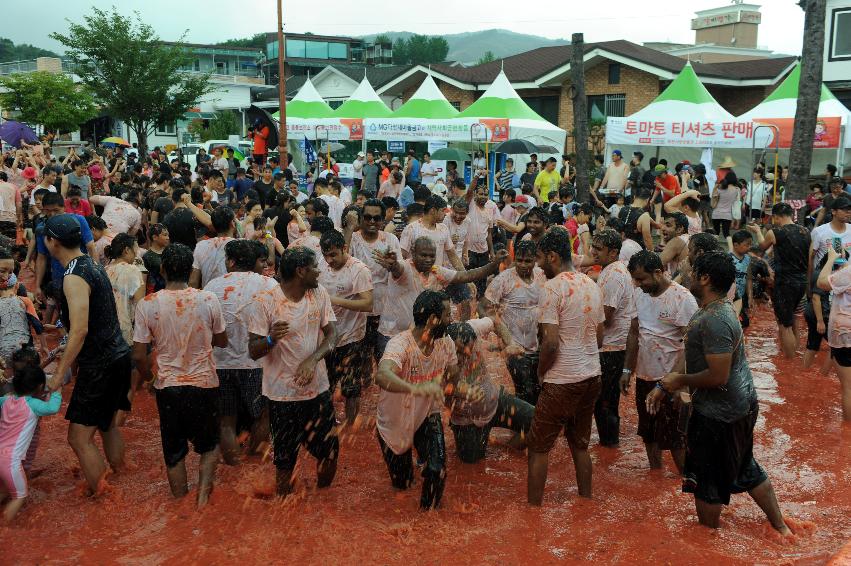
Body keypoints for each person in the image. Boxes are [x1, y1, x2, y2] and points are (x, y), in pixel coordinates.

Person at [649, 251, 791, 535]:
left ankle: (708, 542)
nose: (683, 274)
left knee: (706, 480)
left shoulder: (714, 319)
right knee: (745, 467)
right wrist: (667, 383)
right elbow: (696, 356)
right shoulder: (713, 309)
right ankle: (782, 529)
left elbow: (717, 375)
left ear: (704, 278)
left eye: (689, 270)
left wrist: (678, 381)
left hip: (721, 413)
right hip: (740, 404)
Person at [132, 243, 227, 507]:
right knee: (209, 446)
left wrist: (149, 380)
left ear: (162, 269)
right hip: (204, 383)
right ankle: (202, 501)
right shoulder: (208, 299)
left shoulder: (147, 304)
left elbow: (139, 354)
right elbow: (221, 340)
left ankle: (179, 504)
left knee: (174, 452)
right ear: (189, 270)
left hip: (168, 386)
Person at [43, 214, 132, 496]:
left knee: (79, 439)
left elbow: (80, 330)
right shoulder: (93, 264)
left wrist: (59, 375)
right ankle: (123, 473)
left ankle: (106, 500)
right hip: (118, 354)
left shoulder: (73, 276)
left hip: (100, 364)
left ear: (51, 242)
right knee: (106, 425)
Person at [247, 246, 339, 498]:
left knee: (330, 453)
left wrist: (313, 359)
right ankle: (283, 512)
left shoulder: (319, 294)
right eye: (315, 267)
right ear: (301, 271)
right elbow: (253, 351)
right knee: (285, 460)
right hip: (282, 396)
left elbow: (333, 334)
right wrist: (270, 340)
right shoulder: (265, 301)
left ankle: (323, 503)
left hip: (317, 389)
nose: (320, 272)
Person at [527, 227, 604, 505]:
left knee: (538, 447)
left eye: (539, 259)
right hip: (592, 375)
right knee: (580, 444)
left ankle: (533, 513)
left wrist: (540, 372)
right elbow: (600, 336)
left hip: (562, 380)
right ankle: (586, 500)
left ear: (552, 256)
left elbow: (549, 343)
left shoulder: (552, 288)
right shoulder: (591, 284)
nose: (537, 265)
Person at [375, 290, 459, 509]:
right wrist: (417, 388)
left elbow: (453, 376)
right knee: (403, 485)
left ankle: (428, 523)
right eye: (448, 315)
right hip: (393, 423)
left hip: (426, 416)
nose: (452, 320)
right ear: (433, 320)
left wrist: (456, 396)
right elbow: (382, 375)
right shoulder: (400, 344)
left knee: (436, 469)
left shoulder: (446, 342)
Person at [204, 240, 277, 464]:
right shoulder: (269, 285)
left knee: (226, 420)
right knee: (262, 414)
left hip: (221, 363)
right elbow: (280, 325)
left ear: (231, 261)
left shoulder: (211, 287)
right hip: (257, 363)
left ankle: (233, 467)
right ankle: (254, 464)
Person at [623, 250, 697, 473]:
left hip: (671, 380)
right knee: (649, 432)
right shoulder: (639, 294)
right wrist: (627, 368)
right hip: (645, 376)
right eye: (634, 279)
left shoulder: (682, 299)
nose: (637, 284)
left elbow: (693, 346)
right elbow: (634, 332)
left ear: (658, 273)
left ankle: (687, 484)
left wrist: (679, 382)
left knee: (677, 439)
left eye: (641, 279)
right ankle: (655, 475)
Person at [445, 317, 532, 463]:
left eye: (470, 349)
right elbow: (433, 388)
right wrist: (463, 391)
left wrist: (509, 343)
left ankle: (507, 449)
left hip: (496, 401)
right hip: (467, 420)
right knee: (471, 466)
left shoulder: (474, 326)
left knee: (538, 423)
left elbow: (496, 322)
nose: (467, 355)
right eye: (461, 352)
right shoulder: (438, 353)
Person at [480, 240, 547, 405]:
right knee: (524, 391)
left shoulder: (542, 275)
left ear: (535, 260)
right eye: (519, 260)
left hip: (540, 345)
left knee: (538, 390)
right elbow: (483, 307)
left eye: (528, 261)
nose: (523, 265)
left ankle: (529, 428)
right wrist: (502, 333)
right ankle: (522, 429)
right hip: (515, 347)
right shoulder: (504, 279)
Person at [318, 230, 374, 424]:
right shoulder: (322, 267)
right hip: (327, 337)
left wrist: (334, 300)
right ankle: (330, 422)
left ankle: (351, 425)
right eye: (325, 255)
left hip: (352, 337)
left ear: (344, 248)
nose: (329, 259)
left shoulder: (359, 270)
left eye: (333, 254)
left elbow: (368, 304)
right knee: (326, 384)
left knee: (351, 388)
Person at [590, 229, 637, 447]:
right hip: (610, 346)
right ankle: (608, 443)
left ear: (613, 252)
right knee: (602, 401)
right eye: (593, 246)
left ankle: (609, 445)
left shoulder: (614, 275)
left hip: (612, 348)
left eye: (599, 249)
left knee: (605, 402)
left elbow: (605, 317)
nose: (593, 251)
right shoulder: (611, 271)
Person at [747, 202, 812, 358]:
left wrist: (757, 231)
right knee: (793, 320)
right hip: (802, 282)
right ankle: (794, 353)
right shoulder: (806, 231)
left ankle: (789, 363)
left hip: (785, 283)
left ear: (776, 216)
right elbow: (810, 259)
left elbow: (762, 247)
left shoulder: (776, 232)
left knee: (785, 325)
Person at [0, 365, 61, 522]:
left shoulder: (5, 400)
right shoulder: (33, 405)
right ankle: (4, 528)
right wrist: (57, 391)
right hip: (11, 461)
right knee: (19, 496)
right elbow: (53, 408)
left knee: (2, 490)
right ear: (40, 387)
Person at [817, 247, 851, 421]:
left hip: (845, 334)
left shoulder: (848, 272)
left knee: (848, 387)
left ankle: (847, 435)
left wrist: (830, 258)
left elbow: (822, 282)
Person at [465, 181, 500, 298]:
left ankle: (479, 305)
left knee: (481, 281)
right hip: (470, 250)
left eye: (485, 194)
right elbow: (469, 191)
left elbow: (489, 234)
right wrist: (476, 177)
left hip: (483, 252)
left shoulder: (489, 211)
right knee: (469, 279)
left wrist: (492, 252)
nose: (483, 197)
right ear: (475, 195)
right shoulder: (471, 206)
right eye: (480, 194)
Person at [189, 206, 236, 289]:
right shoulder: (240, 246)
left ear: (212, 226)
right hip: (234, 298)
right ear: (232, 223)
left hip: (208, 299)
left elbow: (193, 282)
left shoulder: (201, 246)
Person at [711, 172, 740, 238]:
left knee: (716, 233)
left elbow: (713, 203)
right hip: (727, 215)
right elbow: (736, 201)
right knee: (726, 233)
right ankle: (730, 247)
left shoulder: (720, 188)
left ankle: (714, 247)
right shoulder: (736, 190)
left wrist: (715, 188)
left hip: (716, 213)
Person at [142, 224, 169, 294]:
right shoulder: (146, 257)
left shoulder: (170, 252)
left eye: (168, 235)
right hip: (154, 292)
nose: (168, 238)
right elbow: (143, 280)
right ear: (154, 237)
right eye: (165, 235)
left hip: (170, 290)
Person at [0, 171, 22, 240]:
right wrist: (18, 219)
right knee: (10, 243)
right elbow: (19, 205)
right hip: (10, 219)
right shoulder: (14, 187)